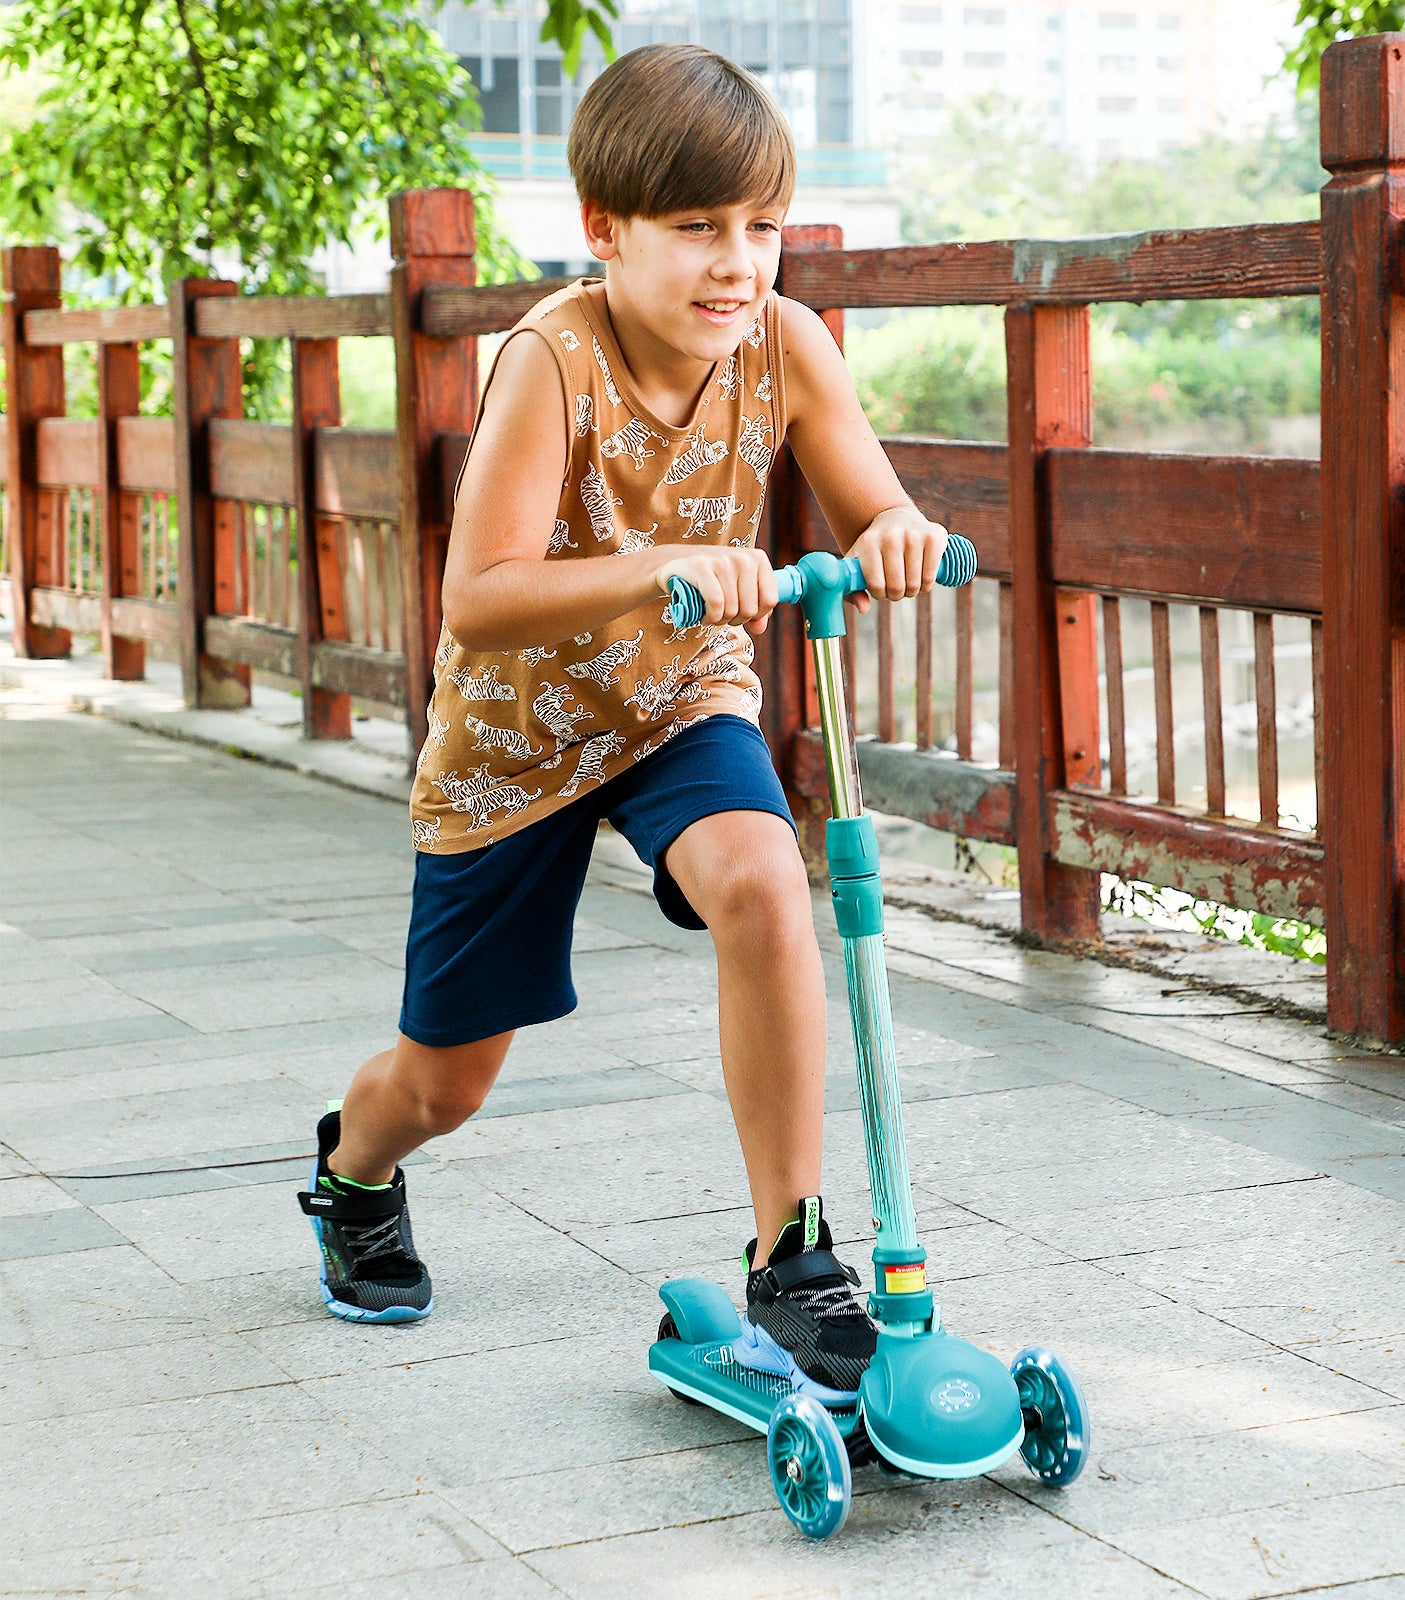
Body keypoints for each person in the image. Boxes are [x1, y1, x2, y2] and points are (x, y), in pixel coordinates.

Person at [297, 42, 947, 1406]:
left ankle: (792, 1248)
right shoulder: (553, 358)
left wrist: (895, 533)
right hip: (516, 737)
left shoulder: (786, 343)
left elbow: (871, 500)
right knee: (446, 1080)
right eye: (697, 229)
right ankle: (352, 1176)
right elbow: (479, 598)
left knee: (769, 879)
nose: (737, 263)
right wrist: (660, 574)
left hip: (676, 699)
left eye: (760, 227)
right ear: (604, 233)